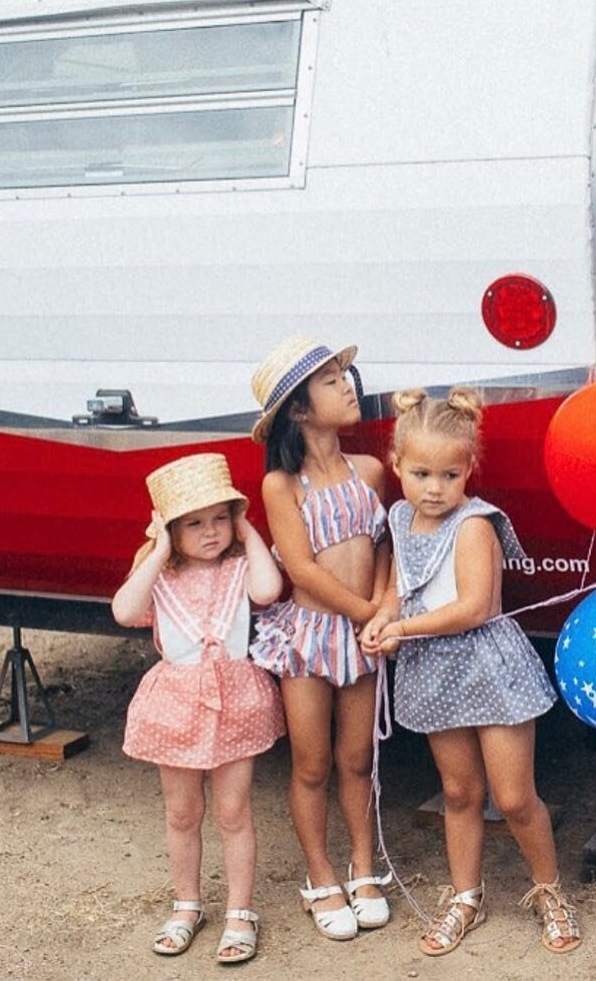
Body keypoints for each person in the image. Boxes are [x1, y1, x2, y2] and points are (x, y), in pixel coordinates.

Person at [361, 387, 581, 957]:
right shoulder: (400, 518)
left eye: (450, 476)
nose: (435, 488)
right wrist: (381, 621)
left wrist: (403, 631)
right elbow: (394, 591)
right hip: (434, 673)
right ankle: (465, 896)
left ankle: (548, 890)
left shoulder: (474, 524)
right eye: (422, 473)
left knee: (512, 797)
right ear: (397, 466)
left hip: (487, 668)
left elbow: (475, 608)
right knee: (459, 792)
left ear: (469, 472)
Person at [112, 453, 285, 964]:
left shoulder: (238, 567)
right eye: (193, 522)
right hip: (177, 704)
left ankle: (239, 910)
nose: (210, 531)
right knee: (183, 811)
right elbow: (124, 611)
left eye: (219, 517)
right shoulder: (160, 576)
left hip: (235, 701)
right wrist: (158, 547)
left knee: (234, 812)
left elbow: (269, 589)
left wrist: (248, 529)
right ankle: (187, 903)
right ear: (170, 528)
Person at [248, 335, 392, 940]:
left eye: (345, 377)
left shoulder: (370, 471)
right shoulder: (283, 486)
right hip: (311, 637)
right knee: (311, 764)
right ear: (300, 410)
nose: (347, 387)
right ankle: (320, 872)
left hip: (363, 632)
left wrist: (384, 608)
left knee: (356, 758)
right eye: (331, 382)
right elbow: (302, 570)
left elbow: (384, 545)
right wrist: (365, 612)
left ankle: (363, 865)